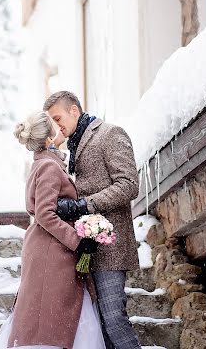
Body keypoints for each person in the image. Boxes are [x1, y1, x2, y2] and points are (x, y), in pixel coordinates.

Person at [0, 111, 105, 349]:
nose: (60, 127)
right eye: (54, 124)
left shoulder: (44, 162)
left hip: (51, 248)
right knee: (52, 321)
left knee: (58, 317)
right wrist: (78, 241)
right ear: (48, 136)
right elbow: (45, 213)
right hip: (51, 251)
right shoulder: (48, 167)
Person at [44, 91, 142, 349]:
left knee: (113, 320)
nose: (57, 126)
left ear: (74, 110)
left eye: (58, 118)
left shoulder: (110, 134)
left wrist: (85, 204)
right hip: (86, 247)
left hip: (111, 247)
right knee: (100, 327)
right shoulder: (70, 147)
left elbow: (129, 185)